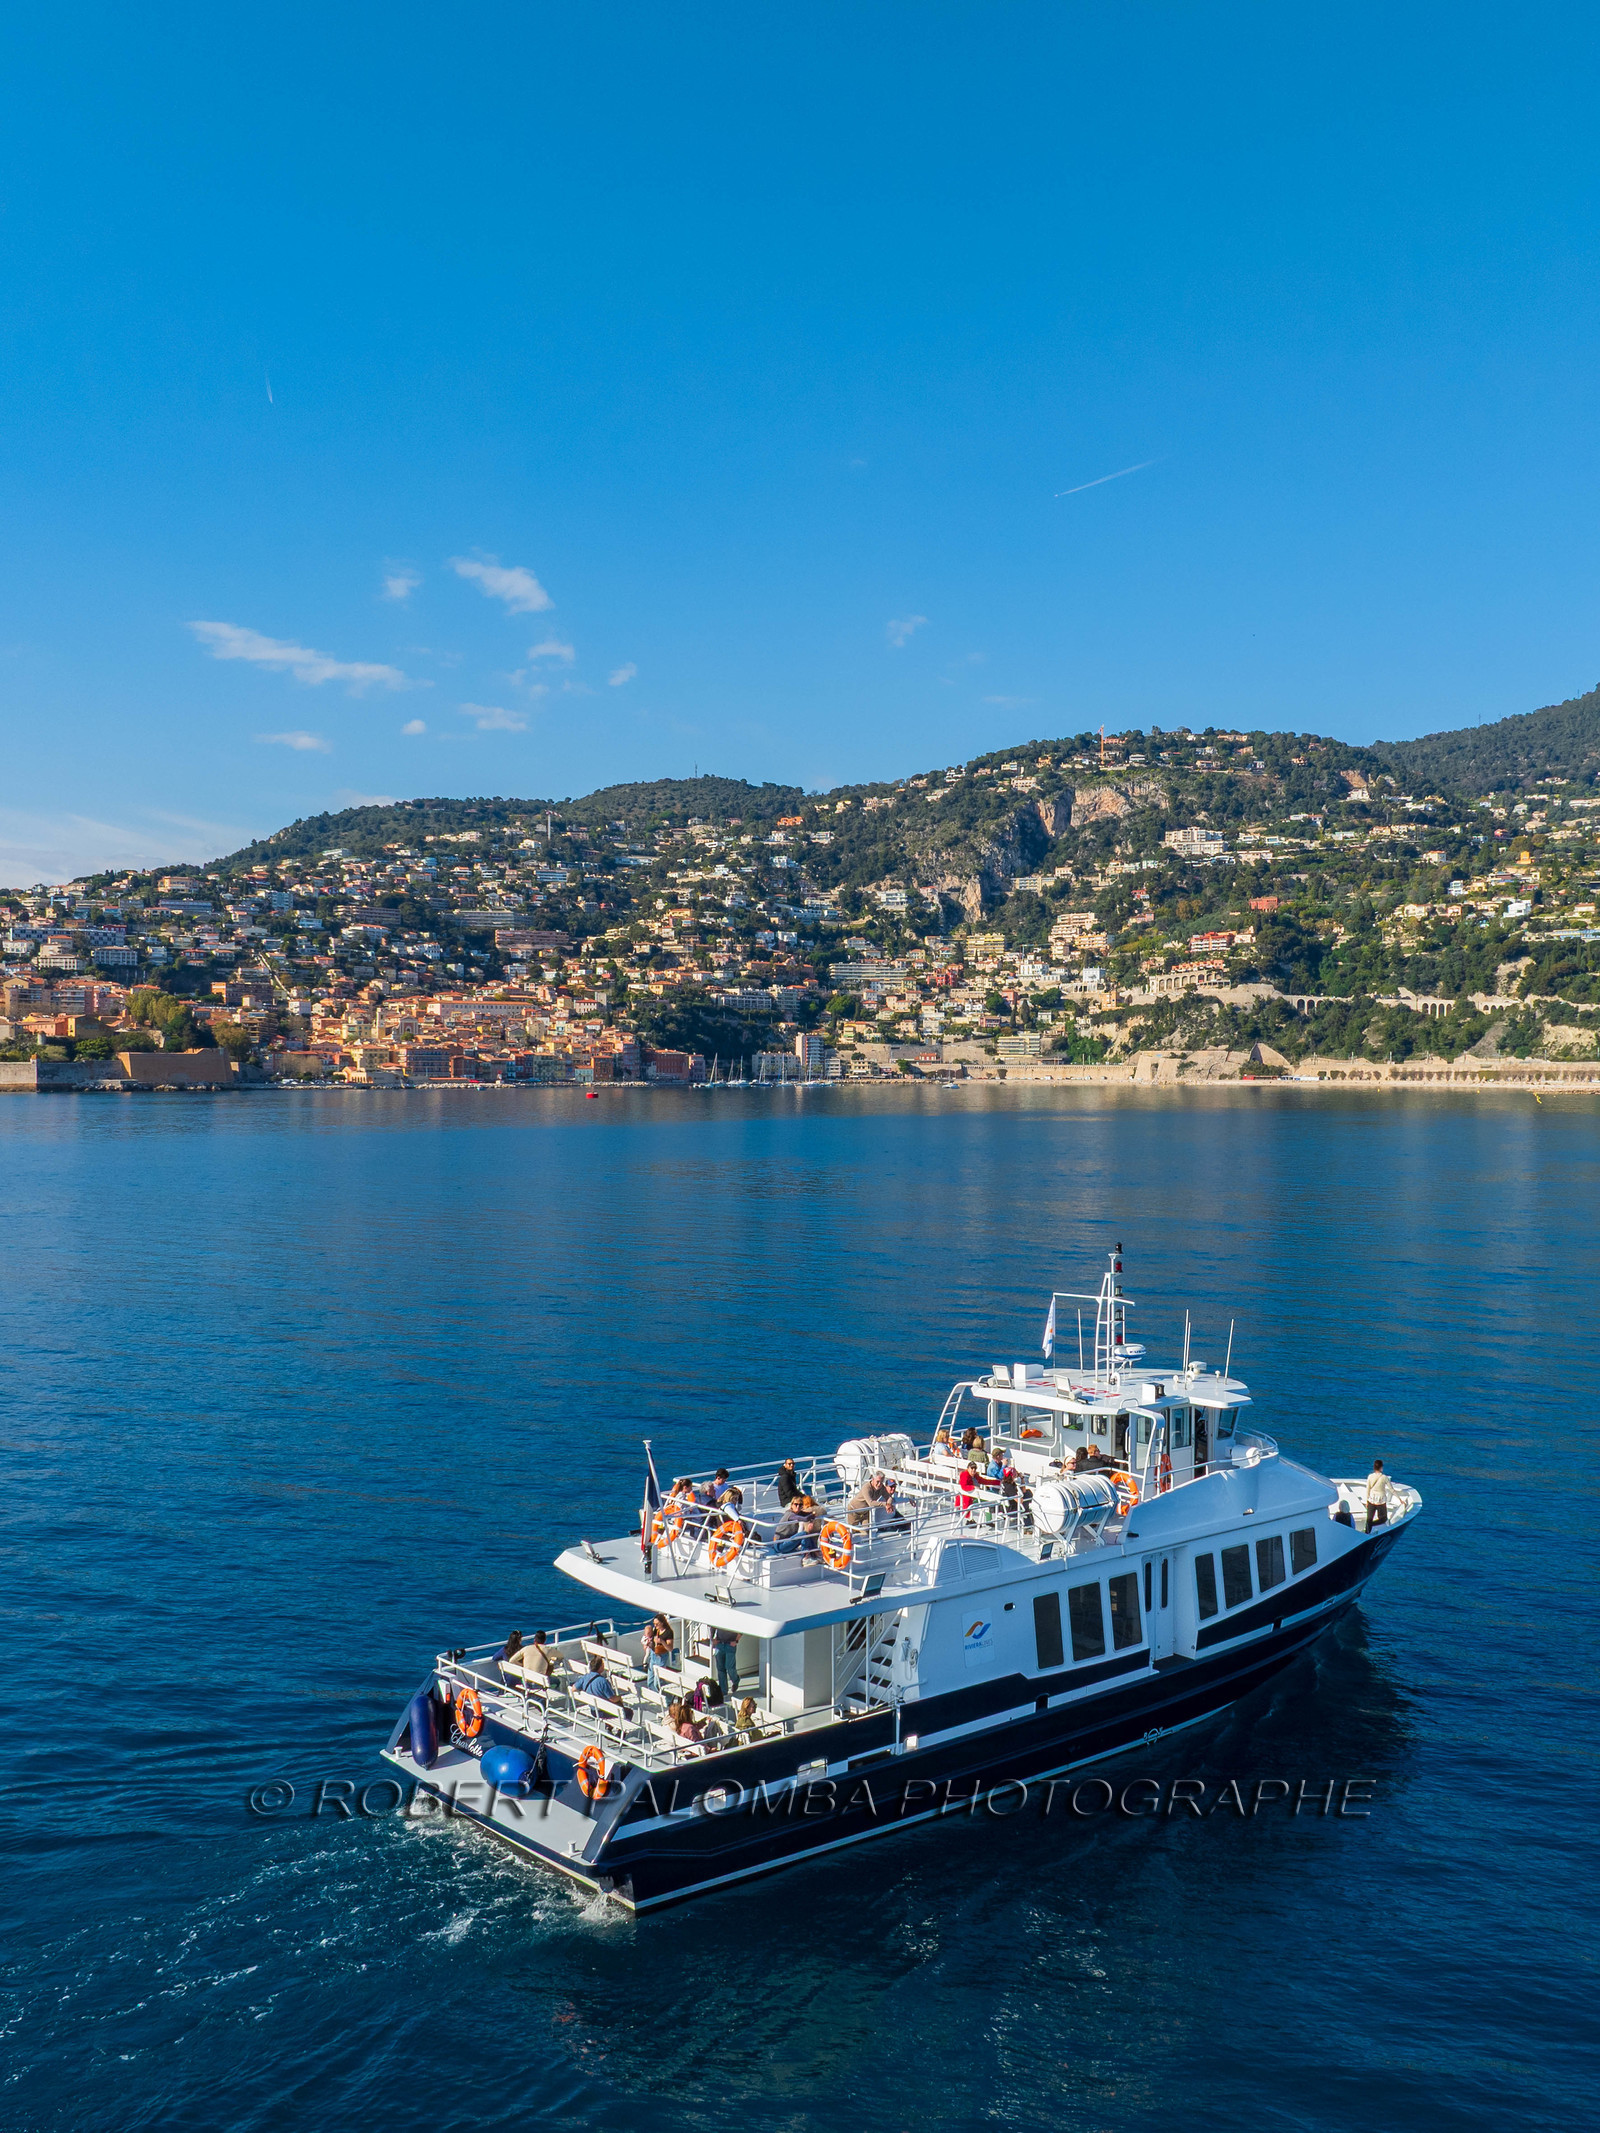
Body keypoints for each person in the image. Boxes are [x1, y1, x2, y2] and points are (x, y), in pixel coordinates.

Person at [641, 1613, 675, 1692]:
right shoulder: (656, 1630)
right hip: (653, 1655)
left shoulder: (668, 1632)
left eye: (657, 1624)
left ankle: (664, 1696)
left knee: (657, 1682)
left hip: (661, 1657)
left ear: (662, 1623)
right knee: (650, 1682)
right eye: (654, 1624)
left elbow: (670, 1648)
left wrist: (662, 1641)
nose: (655, 1626)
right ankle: (656, 1695)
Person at [710, 1622, 741, 1698]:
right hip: (719, 1644)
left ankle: (736, 1680)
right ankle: (723, 1691)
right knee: (720, 1669)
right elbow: (712, 1626)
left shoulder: (735, 1618)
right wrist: (712, 1639)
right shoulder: (718, 1617)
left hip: (730, 1644)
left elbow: (741, 1629)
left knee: (730, 1667)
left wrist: (736, 1640)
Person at [1364, 1457, 1394, 1534]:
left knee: (1369, 1519)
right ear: (1381, 1467)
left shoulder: (1370, 1476)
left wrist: (1367, 1500)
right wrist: (1400, 1499)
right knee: (1383, 1518)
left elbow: (1368, 1489)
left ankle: (1367, 1533)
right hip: (1381, 1501)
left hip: (1371, 1499)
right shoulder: (1384, 1477)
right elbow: (1391, 1489)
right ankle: (1373, 1525)